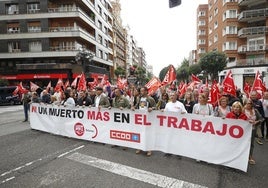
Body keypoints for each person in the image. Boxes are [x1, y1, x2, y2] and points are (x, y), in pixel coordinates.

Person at [132, 86, 156, 156]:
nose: (141, 92)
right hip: (140, 119)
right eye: (140, 91)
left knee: (148, 134)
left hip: (148, 119)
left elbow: (156, 107)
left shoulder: (150, 99)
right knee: (140, 133)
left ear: (146, 91)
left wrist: (152, 108)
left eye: (142, 91)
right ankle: (140, 147)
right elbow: (137, 106)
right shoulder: (139, 98)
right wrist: (133, 107)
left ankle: (149, 149)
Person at [162, 91, 187, 157]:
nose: (172, 96)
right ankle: (169, 151)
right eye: (171, 95)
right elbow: (165, 113)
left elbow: (185, 113)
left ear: (176, 96)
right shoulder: (168, 104)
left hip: (178, 125)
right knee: (169, 138)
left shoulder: (180, 104)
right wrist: (162, 111)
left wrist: (183, 113)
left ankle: (178, 153)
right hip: (169, 125)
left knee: (177, 139)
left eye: (173, 95)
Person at [243, 99, 264, 164]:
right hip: (243, 131)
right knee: (243, 143)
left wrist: (256, 122)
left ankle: (250, 156)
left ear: (252, 104)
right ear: (244, 104)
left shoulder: (255, 110)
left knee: (251, 144)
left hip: (252, 130)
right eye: (247, 103)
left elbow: (262, 119)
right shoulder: (242, 110)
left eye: (250, 103)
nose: (248, 105)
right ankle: (242, 156)